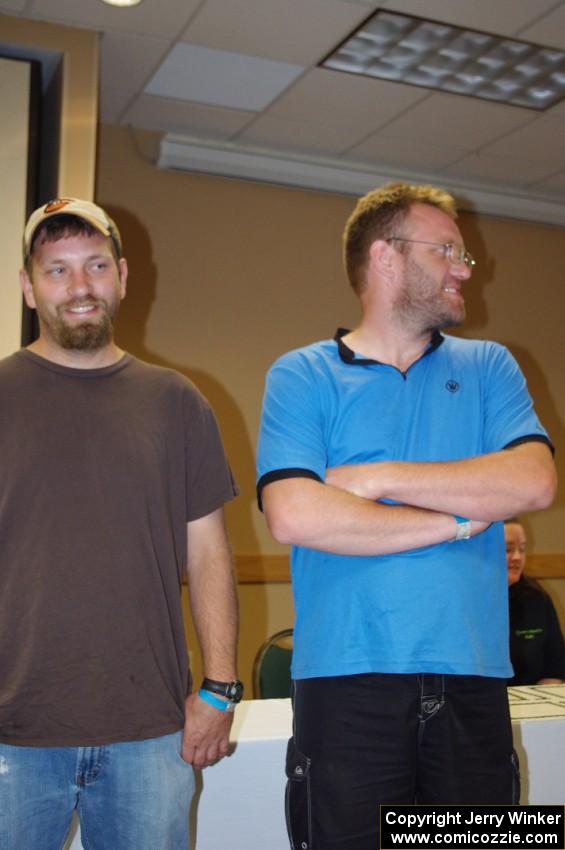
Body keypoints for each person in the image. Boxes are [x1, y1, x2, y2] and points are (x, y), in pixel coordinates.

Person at [256, 182, 557, 850]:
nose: (464, 268)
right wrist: (454, 519)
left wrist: (375, 479)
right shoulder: (302, 375)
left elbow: (533, 482)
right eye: (446, 249)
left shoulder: (490, 366)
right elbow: (295, 514)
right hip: (344, 686)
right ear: (385, 257)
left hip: (473, 679)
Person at [0, 198, 242, 850]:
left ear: (123, 276)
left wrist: (219, 689)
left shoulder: (176, 402)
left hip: (150, 734)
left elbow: (210, 552)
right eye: (56, 270)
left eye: (95, 265)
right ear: (28, 286)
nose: (79, 287)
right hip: (11, 736)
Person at [505, 518, 565, 686]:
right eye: (508, 549)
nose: (517, 557)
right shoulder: (466, 599)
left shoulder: (537, 598)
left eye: (522, 549)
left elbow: (554, 669)